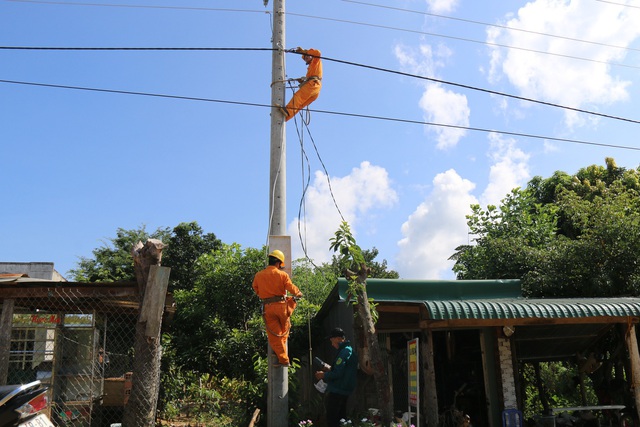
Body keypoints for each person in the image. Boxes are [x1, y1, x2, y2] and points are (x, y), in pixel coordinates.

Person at [252, 249, 303, 367]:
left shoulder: (259, 275)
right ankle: (283, 358)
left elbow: (256, 289)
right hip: (282, 307)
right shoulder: (282, 275)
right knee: (284, 332)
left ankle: (283, 358)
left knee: (275, 335)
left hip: (268, 308)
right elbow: (291, 287)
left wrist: (265, 294)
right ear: (279, 263)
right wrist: (298, 293)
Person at [315, 327, 358, 427]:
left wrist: (323, 375)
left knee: (332, 419)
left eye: (332, 340)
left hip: (338, 389)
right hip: (344, 389)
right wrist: (329, 368)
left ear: (338, 339)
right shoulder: (348, 350)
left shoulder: (344, 352)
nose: (332, 344)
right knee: (341, 419)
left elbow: (338, 374)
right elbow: (343, 370)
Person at [280, 47, 322, 121]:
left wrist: (304, 51)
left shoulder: (316, 61)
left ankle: (288, 111)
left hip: (313, 84)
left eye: (307, 56)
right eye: (305, 57)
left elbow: (318, 53)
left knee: (298, 96)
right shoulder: (310, 68)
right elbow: (311, 77)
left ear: (310, 55)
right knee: (299, 105)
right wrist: (303, 81)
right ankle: (286, 117)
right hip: (315, 88)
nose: (306, 58)